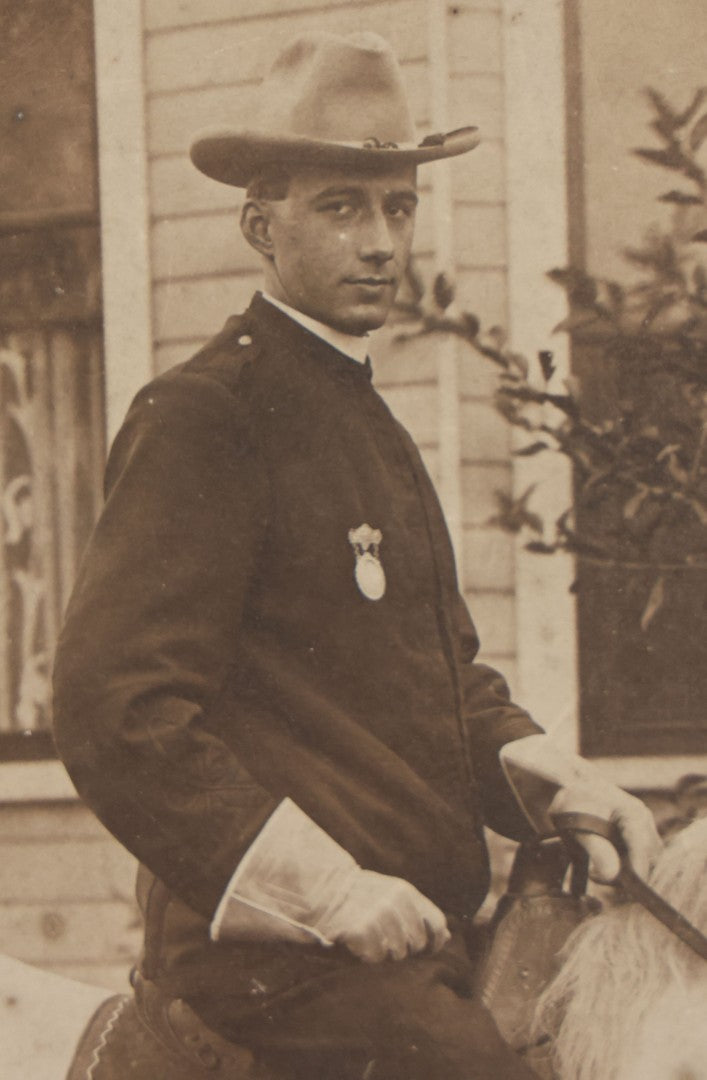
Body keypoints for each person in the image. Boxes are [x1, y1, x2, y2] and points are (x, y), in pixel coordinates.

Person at [53, 30, 661, 1080]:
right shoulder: (207, 416)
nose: (381, 241)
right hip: (272, 964)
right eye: (341, 207)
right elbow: (113, 706)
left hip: (404, 942)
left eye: (397, 207)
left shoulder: (368, 425)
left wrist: (553, 783)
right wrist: (327, 892)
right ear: (260, 223)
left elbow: (440, 685)